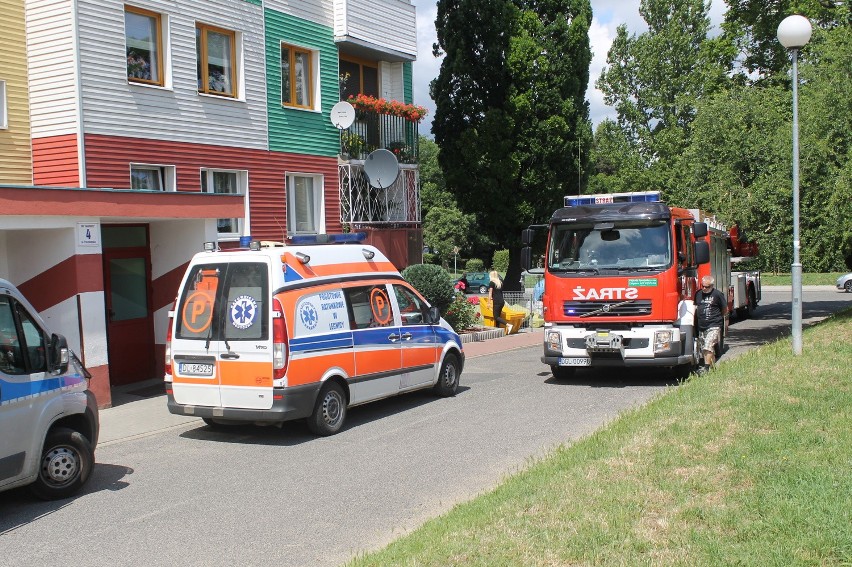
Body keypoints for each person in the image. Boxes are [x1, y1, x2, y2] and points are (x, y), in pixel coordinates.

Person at [694, 275, 727, 371]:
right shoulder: (698, 294)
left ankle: (706, 369)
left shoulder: (718, 294)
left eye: (707, 287)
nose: (704, 288)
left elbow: (725, 309)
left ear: (712, 286)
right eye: (702, 286)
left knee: (707, 346)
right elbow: (696, 308)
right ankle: (713, 368)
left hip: (714, 325)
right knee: (705, 348)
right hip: (702, 326)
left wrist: (718, 319)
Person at [487, 270, 512, 334]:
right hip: (502, 301)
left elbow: (490, 293)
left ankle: (508, 325)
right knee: (498, 316)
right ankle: (498, 330)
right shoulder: (499, 283)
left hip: (497, 301)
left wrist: (488, 302)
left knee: (496, 317)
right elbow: (497, 292)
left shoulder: (492, 283)